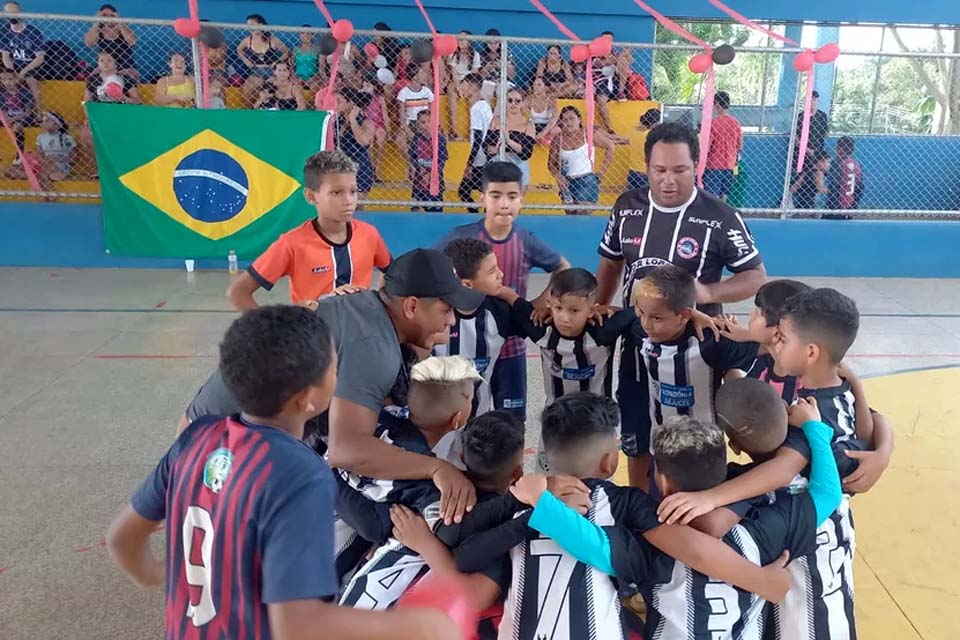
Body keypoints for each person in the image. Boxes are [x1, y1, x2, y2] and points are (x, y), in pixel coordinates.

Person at [106, 306, 461, 640]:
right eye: (336, 370)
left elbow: (121, 538)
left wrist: (159, 575)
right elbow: (299, 624)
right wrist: (411, 626)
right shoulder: (299, 473)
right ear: (309, 398)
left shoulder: (196, 438)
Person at [452, 394, 794, 640]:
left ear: (544, 458)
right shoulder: (625, 503)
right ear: (610, 463)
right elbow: (692, 547)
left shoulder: (517, 499)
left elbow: (462, 555)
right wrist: (760, 581)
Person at [184, 248, 486, 526]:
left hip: (209, 425)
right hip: (221, 447)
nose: (452, 320)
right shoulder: (373, 346)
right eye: (446, 310)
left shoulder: (368, 308)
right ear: (410, 306)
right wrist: (435, 468)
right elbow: (347, 450)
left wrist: (427, 337)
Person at [435, 161, 571, 423]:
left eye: (512, 196)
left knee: (511, 421)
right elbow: (430, 270)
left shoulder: (525, 240)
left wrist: (537, 305)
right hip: (467, 350)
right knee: (464, 418)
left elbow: (562, 266)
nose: (504, 204)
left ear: (522, 199)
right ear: (483, 198)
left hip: (511, 348)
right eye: (496, 196)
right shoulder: (460, 238)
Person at [624, 264, 759, 488]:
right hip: (661, 448)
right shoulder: (640, 329)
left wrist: (745, 333)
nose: (647, 323)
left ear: (683, 315)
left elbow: (770, 345)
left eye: (657, 318)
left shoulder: (712, 342)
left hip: (705, 453)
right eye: (642, 313)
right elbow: (611, 316)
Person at [227, 150, 391, 310]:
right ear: (311, 197)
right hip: (314, 334)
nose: (348, 200)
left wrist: (377, 308)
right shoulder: (292, 244)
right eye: (336, 192)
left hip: (361, 335)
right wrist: (276, 330)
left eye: (353, 191)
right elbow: (238, 293)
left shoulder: (369, 235)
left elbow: (393, 274)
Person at [549, 105, 615, 215]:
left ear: (579, 119)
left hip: (586, 181)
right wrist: (558, 176)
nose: (568, 122)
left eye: (572, 118)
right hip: (567, 183)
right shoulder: (558, 139)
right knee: (570, 216)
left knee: (583, 215)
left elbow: (610, 147)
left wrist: (602, 172)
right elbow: (551, 164)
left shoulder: (588, 134)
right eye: (565, 120)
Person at [484, 87, 535, 191]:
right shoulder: (496, 121)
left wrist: (508, 141)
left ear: (523, 103)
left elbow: (527, 153)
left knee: (514, 202)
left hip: (518, 164)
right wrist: (496, 149)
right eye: (510, 100)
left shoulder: (528, 125)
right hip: (498, 162)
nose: (513, 104)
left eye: (517, 101)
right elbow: (487, 147)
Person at [456, 73, 492, 212]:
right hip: (485, 156)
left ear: (472, 86)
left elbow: (477, 138)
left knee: (464, 191)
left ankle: (478, 217)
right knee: (482, 191)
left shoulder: (476, 108)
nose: (462, 88)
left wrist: (469, 163)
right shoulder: (484, 105)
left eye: (464, 84)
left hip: (480, 158)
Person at [0, 1, 43, 117]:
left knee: (31, 81)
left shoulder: (33, 32)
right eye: (9, 13)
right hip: (14, 65)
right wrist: (11, 71)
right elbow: (6, 56)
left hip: (31, 64)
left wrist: (23, 72)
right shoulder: (4, 32)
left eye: (15, 12)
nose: (13, 16)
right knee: (5, 77)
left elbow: (39, 58)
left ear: (21, 13)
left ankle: (39, 113)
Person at [237, 14, 289, 108]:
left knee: (274, 90)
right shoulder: (248, 40)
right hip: (256, 71)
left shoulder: (272, 39)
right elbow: (239, 49)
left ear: (260, 25)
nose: (250, 28)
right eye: (248, 26)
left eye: (252, 25)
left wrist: (276, 62)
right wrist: (245, 60)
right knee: (246, 90)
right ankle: (252, 111)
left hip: (272, 72)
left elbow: (286, 52)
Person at [335, 88, 376, 202]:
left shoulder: (366, 122)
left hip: (359, 166)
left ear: (351, 102)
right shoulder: (336, 121)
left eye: (340, 101)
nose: (336, 104)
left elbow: (363, 141)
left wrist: (352, 119)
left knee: (358, 205)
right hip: (340, 165)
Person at [703, 91, 742, 201]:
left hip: (714, 164)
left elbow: (708, 145)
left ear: (717, 105)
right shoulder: (736, 123)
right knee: (724, 195)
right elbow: (739, 145)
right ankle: (723, 215)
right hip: (730, 164)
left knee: (712, 195)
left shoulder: (713, 123)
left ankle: (712, 215)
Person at [83, 4, 138, 81]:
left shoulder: (123, 29)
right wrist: (96, 23)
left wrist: (120, 22)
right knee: (91, 79)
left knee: (129, 78)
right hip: (105, 65)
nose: (108, 18)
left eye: (111, 15)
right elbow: (89, 43)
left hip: (125, 65)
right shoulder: (98, 30)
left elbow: (133, 42)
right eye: (104, 15)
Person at [409, 109, 447, 212]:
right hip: (419, 178)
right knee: (415, 206)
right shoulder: (416, 138)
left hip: (434, 179)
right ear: (418, 124)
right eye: (422, 122)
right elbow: (412, 156)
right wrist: (419, 169)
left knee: (435, 209)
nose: (426, 125)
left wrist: (430, 174)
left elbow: (442, 160)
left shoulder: (440, 139)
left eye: (429, 121)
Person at [446, 31, 481, 138]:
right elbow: (454, 73)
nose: (460, 41)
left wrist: (467, 87)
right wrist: (458, 88)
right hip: (457, 81)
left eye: (463, 39)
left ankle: (473, 130)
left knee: (474, 97)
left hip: (469, 81)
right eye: (459, 39)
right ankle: (454, 130)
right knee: (451, 91)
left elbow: (474, 76)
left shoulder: (475, 55)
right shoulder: (453, 53)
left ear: (469, 42)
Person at [395, 63, 434, 158]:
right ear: (415, 76)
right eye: (422, 73)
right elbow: (402, 116)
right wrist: (408, 131)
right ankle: (412, 161)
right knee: (399, 140)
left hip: (425, 123)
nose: (425, 75)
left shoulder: (427, 92)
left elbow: (433, 112)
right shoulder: (404, 93)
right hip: (410, 123)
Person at [826, 136, 863, 217]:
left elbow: (834, 186)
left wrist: (833, 207)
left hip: (836, 205)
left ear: (838, 148)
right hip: (850, 205)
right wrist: (854, 206)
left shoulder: (836, 163)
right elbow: (860, 188)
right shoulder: (857, 164)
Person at [0, 68, 34, 156]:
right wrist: (5, 118)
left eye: (10, 79)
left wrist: (12, 119)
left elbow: (28, 112)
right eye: (3, 79)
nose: (7, 82)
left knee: (17, 126)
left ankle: (19, 154)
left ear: (16, 79)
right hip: (9, 116)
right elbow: (3, 109)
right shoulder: (2, 93)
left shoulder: (24, 92)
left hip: (24, 117)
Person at [626, 107, 660, 191]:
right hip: (644, 172)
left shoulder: (634, 132)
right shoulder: (651, 136)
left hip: (632, 171)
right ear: (655, 123)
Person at [794, 89, 829, 168]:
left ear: (817, 101)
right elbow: (796, 138)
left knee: (817, 173)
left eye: (814, 100)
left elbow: (825, 134)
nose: (812, 102)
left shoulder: (822, 116)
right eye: (810, 99)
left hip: (818, 152)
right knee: (803, 175)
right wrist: (807, 150)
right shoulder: (801, 116)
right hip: (803, 152)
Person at [528, 76, 560, 144]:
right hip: (532, 126)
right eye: (534, 85)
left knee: (556, 130)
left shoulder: (551, 99)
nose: (535, 87)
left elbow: (555, 117)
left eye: (539, 85)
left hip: (547, 126)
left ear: (546, 87)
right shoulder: (529, 99)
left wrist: (543, 132)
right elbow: (525, 118)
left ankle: (542, 139)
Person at [293, 26, 324, 91]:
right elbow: (292, 67)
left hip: (314, 78)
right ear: (299, 35)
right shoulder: (295, 50)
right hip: (299, 78)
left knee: (314, 87)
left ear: (312, 35)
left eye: (308, 33)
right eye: (303, 33)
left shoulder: (317, 49)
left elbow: (321, 67)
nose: (305, 35)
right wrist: (298, 79)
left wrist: (312, 79)